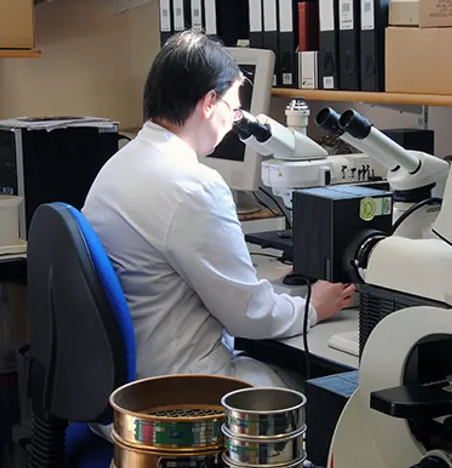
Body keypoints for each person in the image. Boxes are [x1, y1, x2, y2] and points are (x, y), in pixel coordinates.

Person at [82, 31, 354, 416]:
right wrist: (313, 306)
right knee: (332, 399)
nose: (232, 123)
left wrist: (257, 288)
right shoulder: (193, 186)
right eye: (233, 109)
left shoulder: (121, 164)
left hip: (127, 390)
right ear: (210, 102)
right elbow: (249, 316)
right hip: (181, 396)